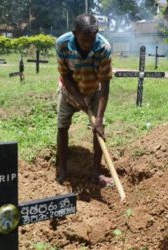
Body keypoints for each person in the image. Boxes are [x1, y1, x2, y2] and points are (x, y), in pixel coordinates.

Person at [55, 13, 113, 186]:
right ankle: (63, 169)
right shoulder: (62, 44)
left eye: (91, 40)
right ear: (74, 33)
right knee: (62, 126)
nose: (88, 45)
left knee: (98, 130)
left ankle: (96, 173)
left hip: (94, 92)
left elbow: (105, 84)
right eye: (84, 40)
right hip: (69, 92)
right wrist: (78, 98)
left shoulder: (103, 48)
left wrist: (99, 120)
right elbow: (65, 75)